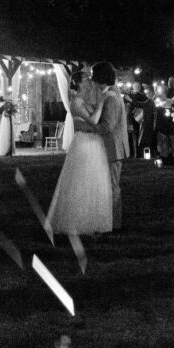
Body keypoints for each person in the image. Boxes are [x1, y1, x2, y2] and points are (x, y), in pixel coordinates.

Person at [44, 73, 114, 236]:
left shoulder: (85, 101)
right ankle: (79, 221)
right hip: (84, 144)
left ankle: (93, 220)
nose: (90, 82)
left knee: (94, 181)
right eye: (87, 80)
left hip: (94, 142)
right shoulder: (76, 102)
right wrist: (103, 100)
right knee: (82, 181)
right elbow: (94, 120)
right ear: (79, 84)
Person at [73, 62, 129, 229]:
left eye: (93, 75)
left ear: (100, 77)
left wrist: (86, 127)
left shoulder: (111, 97)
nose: (91, 79)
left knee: (112, 187)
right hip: (110, 147)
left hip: (113, 148)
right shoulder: (110, 94)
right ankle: (108, 222)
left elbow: (107, 127)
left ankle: (115, 224)